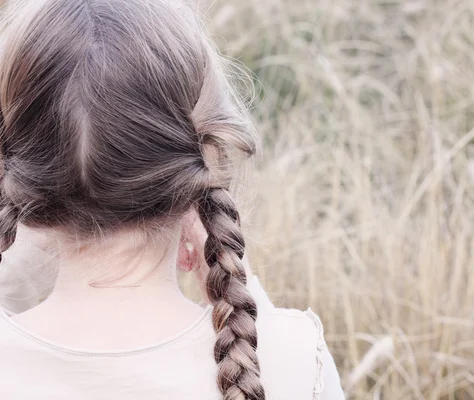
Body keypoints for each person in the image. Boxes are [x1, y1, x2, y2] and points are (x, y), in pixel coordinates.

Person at [0, 0, 345, 399]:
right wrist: (245, 297)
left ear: (19, 173)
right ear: (206, 158)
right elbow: (278, 353)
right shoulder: (296, 358)